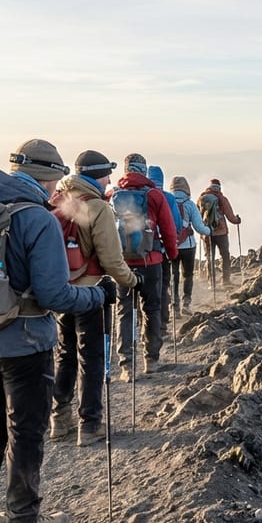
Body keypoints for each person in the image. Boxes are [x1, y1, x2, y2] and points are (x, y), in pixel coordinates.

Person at [0, 139, 110, 523]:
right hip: (24, 344)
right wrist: (98, 296)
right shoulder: (36, 219)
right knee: (25, 431)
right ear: (48, 177)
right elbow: (54, 294)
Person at [49, 151, 139, 446]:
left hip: (62, 292)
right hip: (90, 293)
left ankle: (59, 420)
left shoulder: (59, 201)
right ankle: (89, 425)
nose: (109, 180)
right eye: (105, 175)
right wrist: (130, 280)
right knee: (92, 357)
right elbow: (111, 259)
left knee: (65, 353)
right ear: (94, 176)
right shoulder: (98, 207)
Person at [107, 153, 178, 379]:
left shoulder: (111, 195)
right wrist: (172, 254)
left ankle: (126, 364)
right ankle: (151, 360)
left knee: (124, 311)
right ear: (144, 170)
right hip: (151, 261)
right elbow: (167, 229)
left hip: (122, 264)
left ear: (126, 170)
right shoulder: (154, 195)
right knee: (152, 309)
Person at [170, 176, 211, 313]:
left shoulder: (167, 202)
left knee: (173, 275)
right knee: (187, 275)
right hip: (188, 245)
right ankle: (186, 304)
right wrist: (209, 231)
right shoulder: (190, 204)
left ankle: (174, 305)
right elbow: (199, 227)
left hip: (171, 245)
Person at [148, 165, 181, 337]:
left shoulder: (140, 195)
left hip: (134, 254)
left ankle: (141, 324)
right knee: (161, 289)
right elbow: (175, 225)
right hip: (160, 252)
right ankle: (161, 327)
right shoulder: (167, 197)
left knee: (139, 291)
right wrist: (172, 251)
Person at [197, 179, 241, 286]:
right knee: (225, 256)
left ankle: (211, 283)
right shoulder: (222, 199)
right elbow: (230, 217)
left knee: (209, 257)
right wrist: (237, 220)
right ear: (219, 187)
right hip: (221, 233)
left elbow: (197, 215)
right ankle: (226, 280)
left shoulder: (201, 199)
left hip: (207, 233)